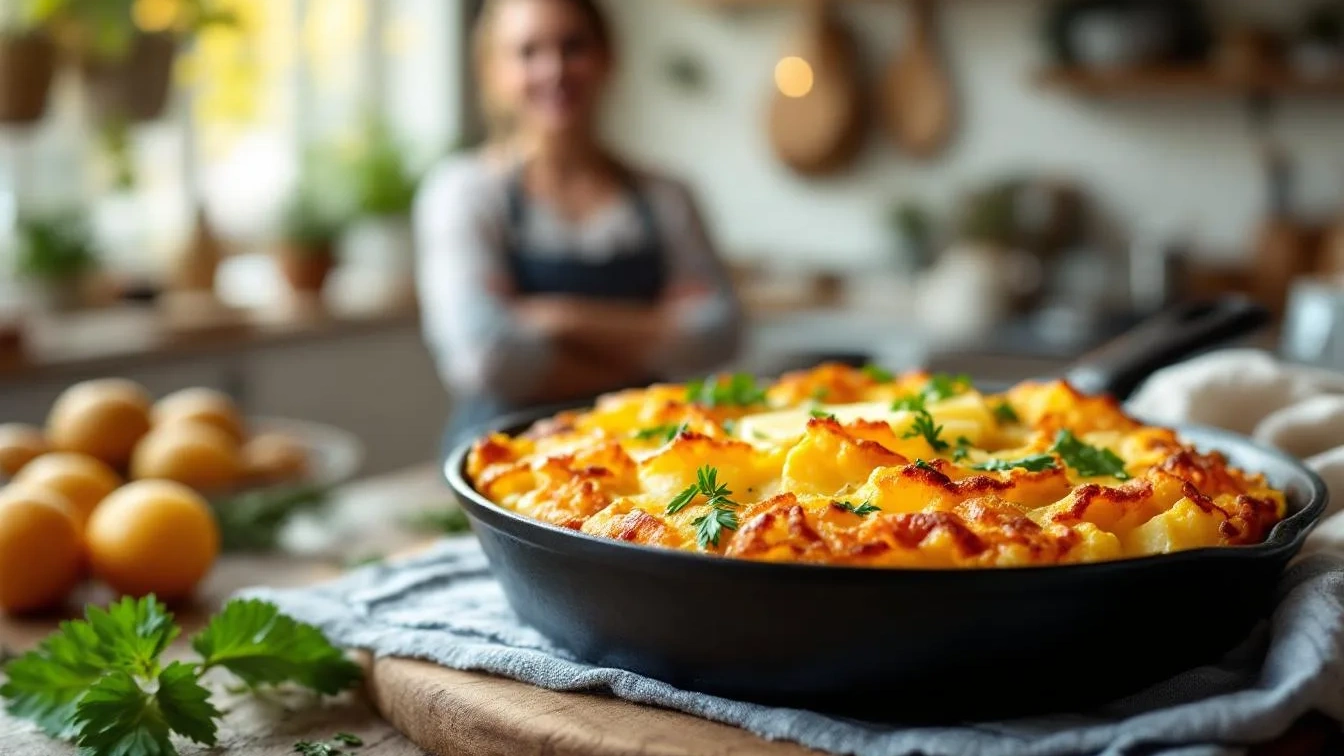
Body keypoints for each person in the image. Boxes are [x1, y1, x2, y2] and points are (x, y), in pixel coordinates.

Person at [416, 0, 743, 446]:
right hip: (501, 457)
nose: (555, 69)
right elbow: (488, 357)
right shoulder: (464, 193)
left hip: (643, 460)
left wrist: (557, 320)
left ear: (608, 58)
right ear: (493, 71)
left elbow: (718, 332)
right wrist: (654, 341)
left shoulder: (667, 197)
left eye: (574, 46)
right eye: (528, 52)